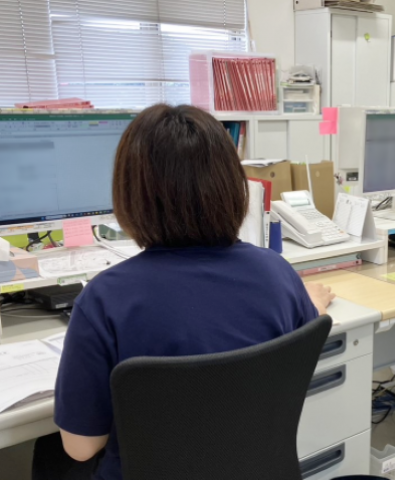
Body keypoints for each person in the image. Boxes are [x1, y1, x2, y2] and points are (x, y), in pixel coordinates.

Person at [49, 104, 335, 480]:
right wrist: (311, 301)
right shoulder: (276, 273)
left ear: (130, 194)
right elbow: (303, 330)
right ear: (233, 186)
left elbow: (81, 446)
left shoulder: (103, 300)